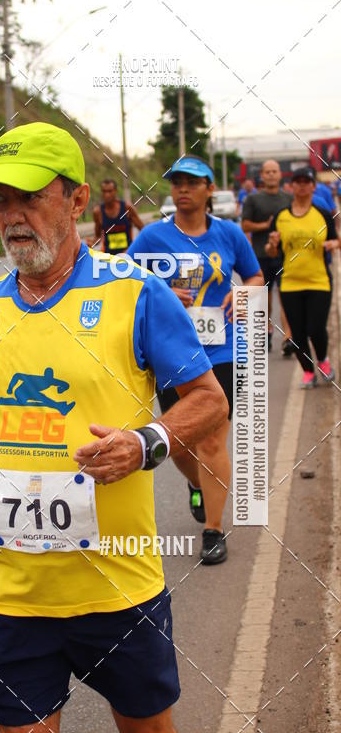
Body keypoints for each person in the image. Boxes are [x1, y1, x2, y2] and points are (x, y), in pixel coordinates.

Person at [0, 122, 228, 733]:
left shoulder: (134, 293)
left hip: (117, 584)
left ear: (75, 199)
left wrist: (144, 443)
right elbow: (1, 409)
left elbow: (207, 400)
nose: (13, 215)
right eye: (0, 200)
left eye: (31, 198)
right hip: (13, 585)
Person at [128, 156, 263, 566]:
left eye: (192, 182)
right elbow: (123, 279)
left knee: (210, 440)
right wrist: (163, 291)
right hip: (173, 353)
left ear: (209, 189)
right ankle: (200, 485)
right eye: (177, 182)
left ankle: (214, 531)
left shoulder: (229, 234)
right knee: (179, 443)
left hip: (222, 349)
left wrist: (243, 296)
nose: (182, 188)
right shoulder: (152, 237)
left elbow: (255, 276)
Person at [265, 166, 339, 388]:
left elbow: (337, 239)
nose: (302, 185)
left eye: (306, 182)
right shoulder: (281, 216)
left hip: (319, 280)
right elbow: (271, 251)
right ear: (291, 186)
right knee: (297, 333)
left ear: (313, 186)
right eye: (297, 181)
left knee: (316, 328)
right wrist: (272, 245)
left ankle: (323, 361)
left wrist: (333, 243)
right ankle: (308, 372)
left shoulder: (322, 214)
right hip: (290, 282)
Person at [241, 159, 293, 354]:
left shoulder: (288, 198)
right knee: (265, 297)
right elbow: (245, 225)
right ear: (262, 176)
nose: (271, 175)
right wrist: (268, 225)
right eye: (267, 172)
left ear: (280, 174)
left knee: (286, 295)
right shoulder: (253, 200)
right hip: (261, 254)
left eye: (274, 171)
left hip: (285, 255)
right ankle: (267, 329)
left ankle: (289, 336)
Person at [93, 178, 144, 254]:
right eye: (104, 191)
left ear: (115, 191)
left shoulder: (127, 208)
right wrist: (90, 243)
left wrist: (134, 247)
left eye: (110, 191)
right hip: (109, 257)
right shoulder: (98, 212)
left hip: (128, 255)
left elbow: (143, 230)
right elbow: (97, 237)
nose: (107, 194)